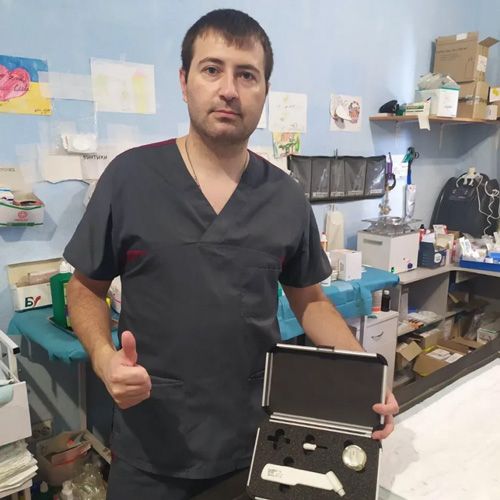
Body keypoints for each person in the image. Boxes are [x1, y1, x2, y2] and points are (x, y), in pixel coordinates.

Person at [64, 8, 399, 500]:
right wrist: (103, 357)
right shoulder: (129, 179)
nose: (229, 90)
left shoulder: (285, 197)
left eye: (247, 75)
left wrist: (365, 374)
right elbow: (84, 289)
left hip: (254, 443)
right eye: (211, 69)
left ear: (264, 90)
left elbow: (310, 300)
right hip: (149, 447)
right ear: (184, 82)